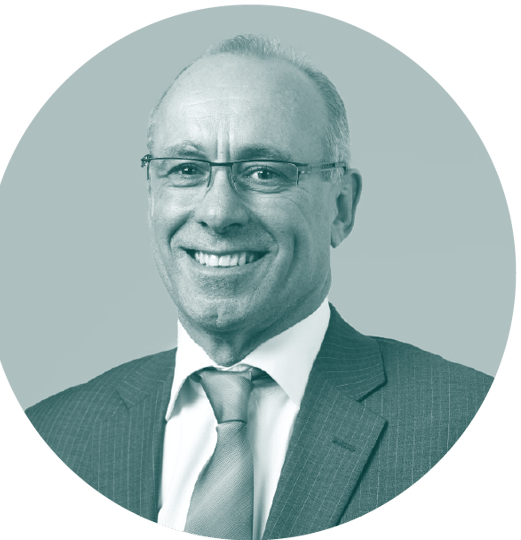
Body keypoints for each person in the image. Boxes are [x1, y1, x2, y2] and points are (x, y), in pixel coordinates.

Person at [25, 35, 493, 540]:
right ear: (152, 195)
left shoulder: (472, 426)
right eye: (186, 170)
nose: (217, 212)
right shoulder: (49, 438)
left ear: (341, 208)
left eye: (265, 173)